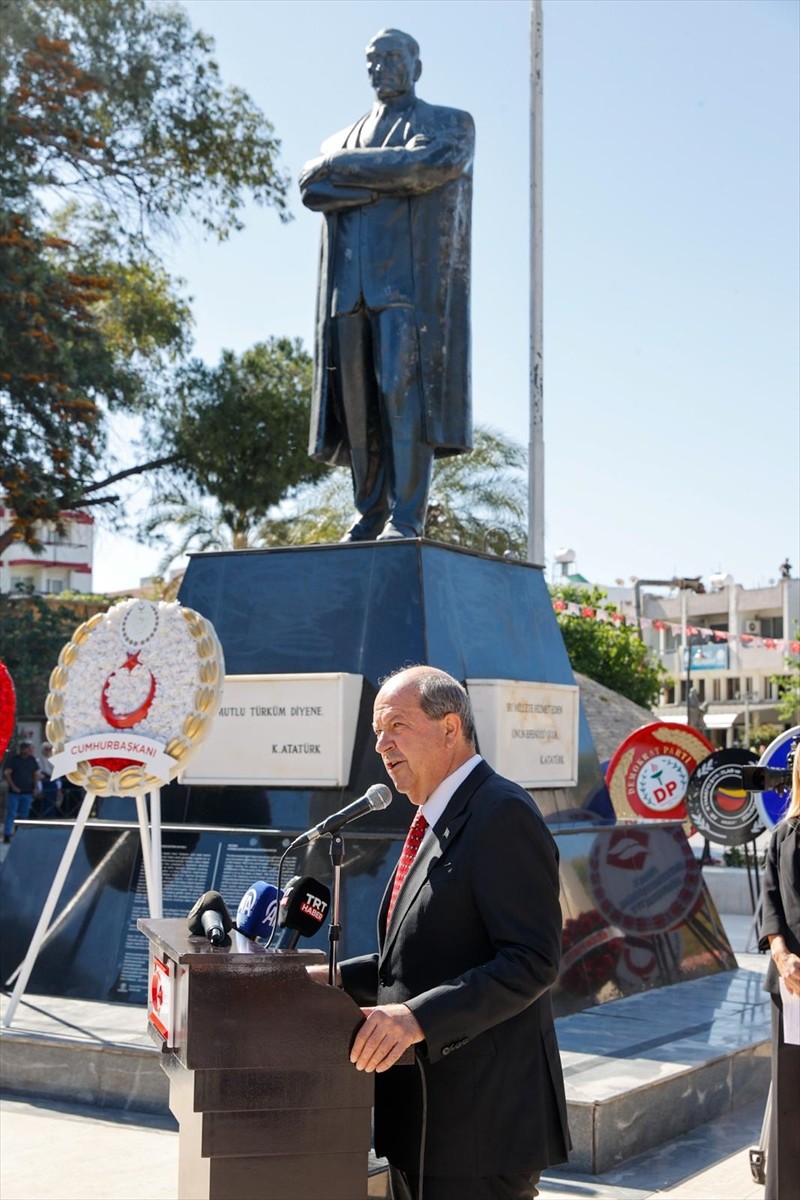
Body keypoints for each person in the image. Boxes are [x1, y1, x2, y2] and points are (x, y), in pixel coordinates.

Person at [312, 666, 570, 1200]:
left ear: (450, 728)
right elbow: (412, 960)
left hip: (482, 1127)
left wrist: (416, 1019)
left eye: (397, 726)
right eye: (377, 732)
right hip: (426, 1121)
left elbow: (532, 960)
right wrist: (327, 978)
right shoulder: (438, 817)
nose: (382, 745)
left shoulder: (501, 814)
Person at [299, 29, 474, 542]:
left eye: (393, 58)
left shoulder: (448, 124)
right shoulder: (337, 140)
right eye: (372, 60)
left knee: (401, 391)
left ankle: (407, 515)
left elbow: (425, 168)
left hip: (406, 287)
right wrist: (375, 179)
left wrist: (343, 176)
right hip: (346, 293)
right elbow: (312, 190)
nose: (381, 67)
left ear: (417, 67)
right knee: (357, 403)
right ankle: (369, 511)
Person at [758, 744, 800, 1200]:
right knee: (790, 1105)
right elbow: (769, 903)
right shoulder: (783, 834)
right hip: (791, 988)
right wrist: (781, 954)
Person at [3, 740, 41, 842]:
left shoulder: (32, 760)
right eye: (23, 748)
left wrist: (36, 787)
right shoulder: (13, 760)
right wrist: (13, 786)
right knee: (11, 813)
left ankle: (19, 834)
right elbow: (7, 774)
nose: (25, 750)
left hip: (27, 791)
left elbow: (36, 774)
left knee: (24, 815)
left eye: (26, 748)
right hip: (14, 792)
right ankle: (7, 834)